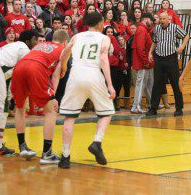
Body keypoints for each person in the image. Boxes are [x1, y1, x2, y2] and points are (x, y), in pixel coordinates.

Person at [57, 12, 116, 169]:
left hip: (75, 75)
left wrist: (63, 67)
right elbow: (103, 59)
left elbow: (64, 53)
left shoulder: (77, 36)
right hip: (94, 75)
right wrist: (110, 85)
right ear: (99, 24)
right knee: (107, 112)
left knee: (69, 118)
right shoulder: (104, 38)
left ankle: (65, 156)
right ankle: (97, 141)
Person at [11, 29, 69, 164]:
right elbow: (55, 75)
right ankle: (47, 153)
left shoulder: (40, 45)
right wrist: (52, 96)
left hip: (19, 67)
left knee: (20, 108)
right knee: (52, 110)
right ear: (65, 41)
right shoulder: (63, 50)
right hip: (35, 68)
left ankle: (23, 146)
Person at [0, 30, 38, 154]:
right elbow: (21, 72)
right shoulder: (24, 49)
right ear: (28, 40)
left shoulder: (13, 45)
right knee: (2, 108)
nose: (36, 42)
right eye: (35, 39)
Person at [146, 12, 190, 116]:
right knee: (157, 84)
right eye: (160, 18)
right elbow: (155, 42)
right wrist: (150, 52)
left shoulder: (175, 27)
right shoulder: (157, 28)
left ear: (168, 19)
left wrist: (182, 47)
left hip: (171, 58)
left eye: (163, 19)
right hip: (159, 58)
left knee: (175, 83)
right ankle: (153, 108)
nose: (161, 20)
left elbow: (186, 36)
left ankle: (179, 108)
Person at [131, 13, 155, 114]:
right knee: (140, 84)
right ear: (146, 19)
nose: (152, 22)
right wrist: (145, 62)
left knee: (149, 84)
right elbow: (141, 48)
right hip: (143, 63)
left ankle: (152, 104)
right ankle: (136, 106)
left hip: (147, 63)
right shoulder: (142, 30)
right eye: (151, 20)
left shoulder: (144, 30)